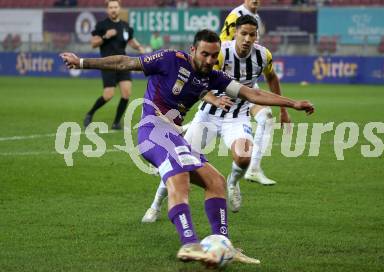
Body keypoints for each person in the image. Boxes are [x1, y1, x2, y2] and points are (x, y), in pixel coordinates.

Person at [60, 29, 314, 266]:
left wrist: (292, 103)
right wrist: (82, 62)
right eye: (205, 54)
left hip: (174, 136)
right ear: (193, 50)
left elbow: (251, 94)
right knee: (179, 176)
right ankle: (189, 243)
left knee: (216, 181)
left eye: (214, 55)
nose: (209, 59)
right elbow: (126, 63)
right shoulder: (170, 59)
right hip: (153, 132)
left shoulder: (212, 76)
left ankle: (222, 244)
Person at [142, 15, 287, 223]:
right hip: (208, 116)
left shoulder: (263, 56)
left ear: (257, 36)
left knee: (244, 157)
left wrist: (285, 108)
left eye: (252, 34)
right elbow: (199, 79)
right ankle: (155, 205)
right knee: (178, 161)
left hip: (237, 117)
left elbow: (268, 80)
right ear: (235, 32)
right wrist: (212, 98)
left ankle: (233, 183)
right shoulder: (219, 53)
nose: (247, 38)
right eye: (243, 33)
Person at [222, 0, 287, 185]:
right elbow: (223, 46)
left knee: (266, 117)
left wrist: (284, 109)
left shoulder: (254, 17)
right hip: (228, 80)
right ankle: (177, 139)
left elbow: (272, 77)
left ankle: (254, 169)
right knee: (208, 121)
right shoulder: (236, 16)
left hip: (247, 83)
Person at [84, 0, 145, 130]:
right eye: (111, 7)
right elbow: (93, 43)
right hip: (107, 64)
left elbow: (130, 40)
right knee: (108, 95)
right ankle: (90, 114)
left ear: (119, 9)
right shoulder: (102, 25)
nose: (113, 9)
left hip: (123, 63)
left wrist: (139, 47)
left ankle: (116, 123)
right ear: (107, 10)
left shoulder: (125, 26)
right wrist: (106, 36)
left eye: (115, 7)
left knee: (126, 93)